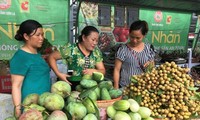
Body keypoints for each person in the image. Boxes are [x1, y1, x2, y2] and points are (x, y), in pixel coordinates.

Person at [10, 20, 51, 118]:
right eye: (37, 35)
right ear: (26, 36)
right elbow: (16, 86)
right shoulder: (20, 57)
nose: (41, 38)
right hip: (31, 108)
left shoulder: (37, 54)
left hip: (44, 104)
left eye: (42, 34)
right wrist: (18, 112)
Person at [113, 20, 155, 89]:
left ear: (144, 35)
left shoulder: (149, 48)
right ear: (129, 33)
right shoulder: (123, 49)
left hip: (143, 88)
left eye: (138, 38)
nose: (134, 40)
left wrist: (150, 64)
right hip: (126, 88)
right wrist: (116, 87)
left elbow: (152, 64)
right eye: (132, 37)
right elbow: (117, 69)